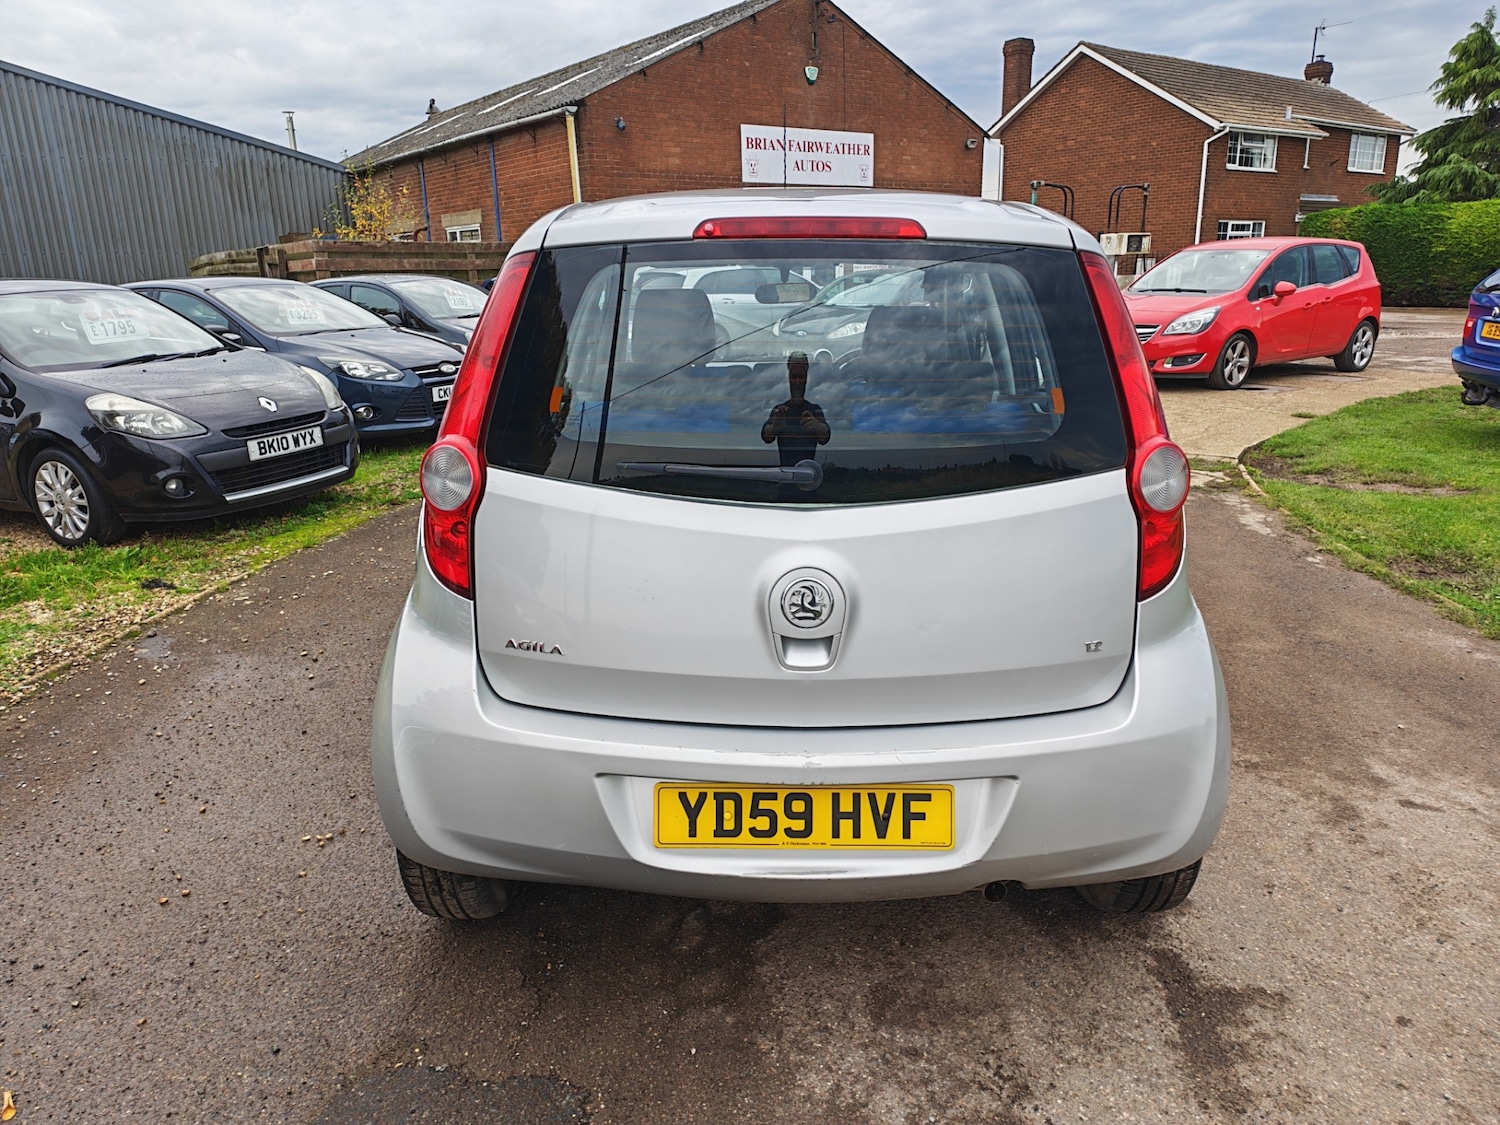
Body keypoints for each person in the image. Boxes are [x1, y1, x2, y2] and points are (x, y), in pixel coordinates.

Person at [760, 352, 831, 466]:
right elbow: (766, 436)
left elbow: (825, 438)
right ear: (788, 377)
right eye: (794, 376)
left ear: (807, 378)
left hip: (810, 475)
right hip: (782, 476)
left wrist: (819, 427)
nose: (797, 381)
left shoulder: (815, 411)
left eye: (801, 376)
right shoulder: (780, 412)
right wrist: (774, 428)